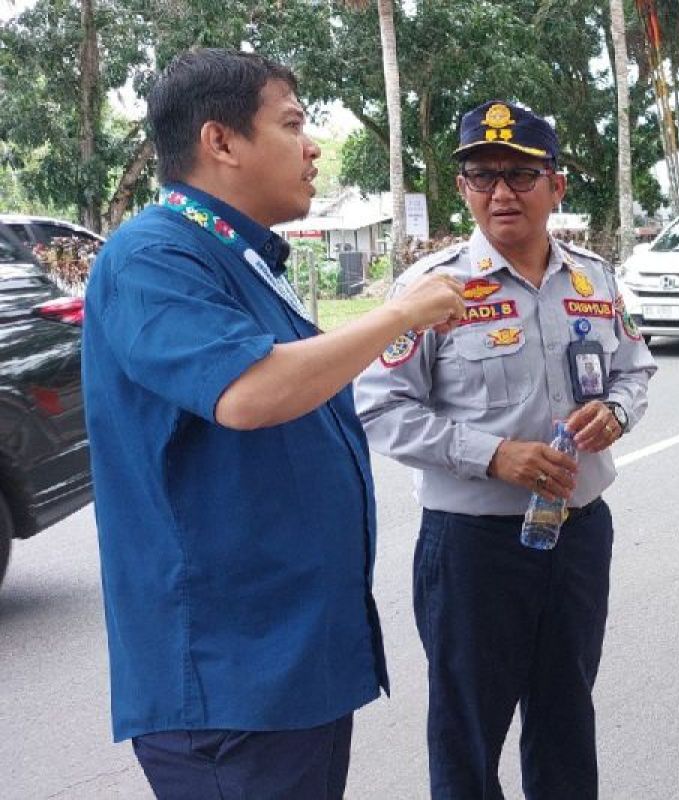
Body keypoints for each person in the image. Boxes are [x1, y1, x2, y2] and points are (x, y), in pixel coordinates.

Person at [82, 48, 466, 798]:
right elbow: (250, 390)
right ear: (220, 142)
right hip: (231, 680)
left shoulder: (244, 257)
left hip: (289, 665)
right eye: (291, 123)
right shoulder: (152, 255)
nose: (314, 144)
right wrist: (399, 314)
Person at [355, 100, 656, 799]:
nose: (500, 193)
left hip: (577, 538)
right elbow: (378, 407)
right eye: (481, 176)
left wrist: (615, 411)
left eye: (520, 176)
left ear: (556, 186)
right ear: (462, 189)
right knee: (467, 733)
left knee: (566, 719)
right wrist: (491, 455)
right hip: (473, 549)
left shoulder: (594, 281)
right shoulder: (429, 292)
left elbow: (636, 371)